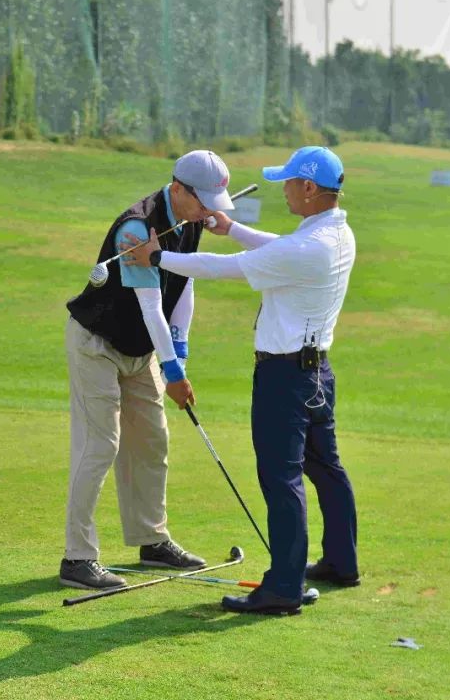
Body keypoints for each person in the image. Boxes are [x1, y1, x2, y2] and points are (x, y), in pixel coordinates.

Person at [121, 146, 360, 614]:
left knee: (281, 476)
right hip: (317, 374)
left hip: (284, 376)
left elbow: (221, 268)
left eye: (289, 182)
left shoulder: (307, 247)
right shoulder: (336, 233)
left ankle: (283, 588)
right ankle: (340, 562)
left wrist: (159, 256)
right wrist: (230, 228)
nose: (284, 190)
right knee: (326, 469)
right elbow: (279, 248)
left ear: (309, 188)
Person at [59, 150, 236, 590]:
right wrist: (174, 375)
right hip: (97, 343)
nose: (209, 209)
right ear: (178, 188)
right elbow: (152, 306)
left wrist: (181, 355)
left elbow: (185, 286)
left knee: (153, 441)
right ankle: (77, 558)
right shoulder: (137, 229)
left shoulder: (191, 221)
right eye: (203, 200)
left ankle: (150, 541)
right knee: (101, 445)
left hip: (141, 351)